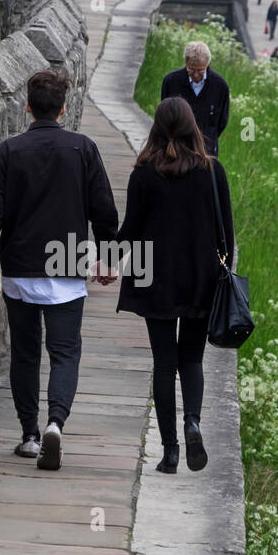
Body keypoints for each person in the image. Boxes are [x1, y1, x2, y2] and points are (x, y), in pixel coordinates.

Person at [0, 68, 118, 471]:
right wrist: (109, 258)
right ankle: (56, 423)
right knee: (65, 353)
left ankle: (30, 436)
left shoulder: (9, 152)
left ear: (27, 107)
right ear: (64, 108)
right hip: (66, 263)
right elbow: (104, 210)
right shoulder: (83, 149)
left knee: (25, 354)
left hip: (20, 266)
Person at [117, 97, 235, 475]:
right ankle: (193, 423)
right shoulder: (212, 172)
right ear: (192, 126)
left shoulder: (145, 173)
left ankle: (169, 452)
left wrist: (102, 259)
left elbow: (131, 231)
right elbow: (226, 237)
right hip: (200, 279)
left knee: (164, 365)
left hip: (156, 279)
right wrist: (221, 274)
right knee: (193, 359)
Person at [159, 39, 230, 158]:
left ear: (207, 65)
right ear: (186, 63)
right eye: (191, 71)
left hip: (206, 152)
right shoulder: (171, 82)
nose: (196, 75)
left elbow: (221, 122)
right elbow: (164, 116)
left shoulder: (220, 86)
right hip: (176, 151)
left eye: (200, 71)